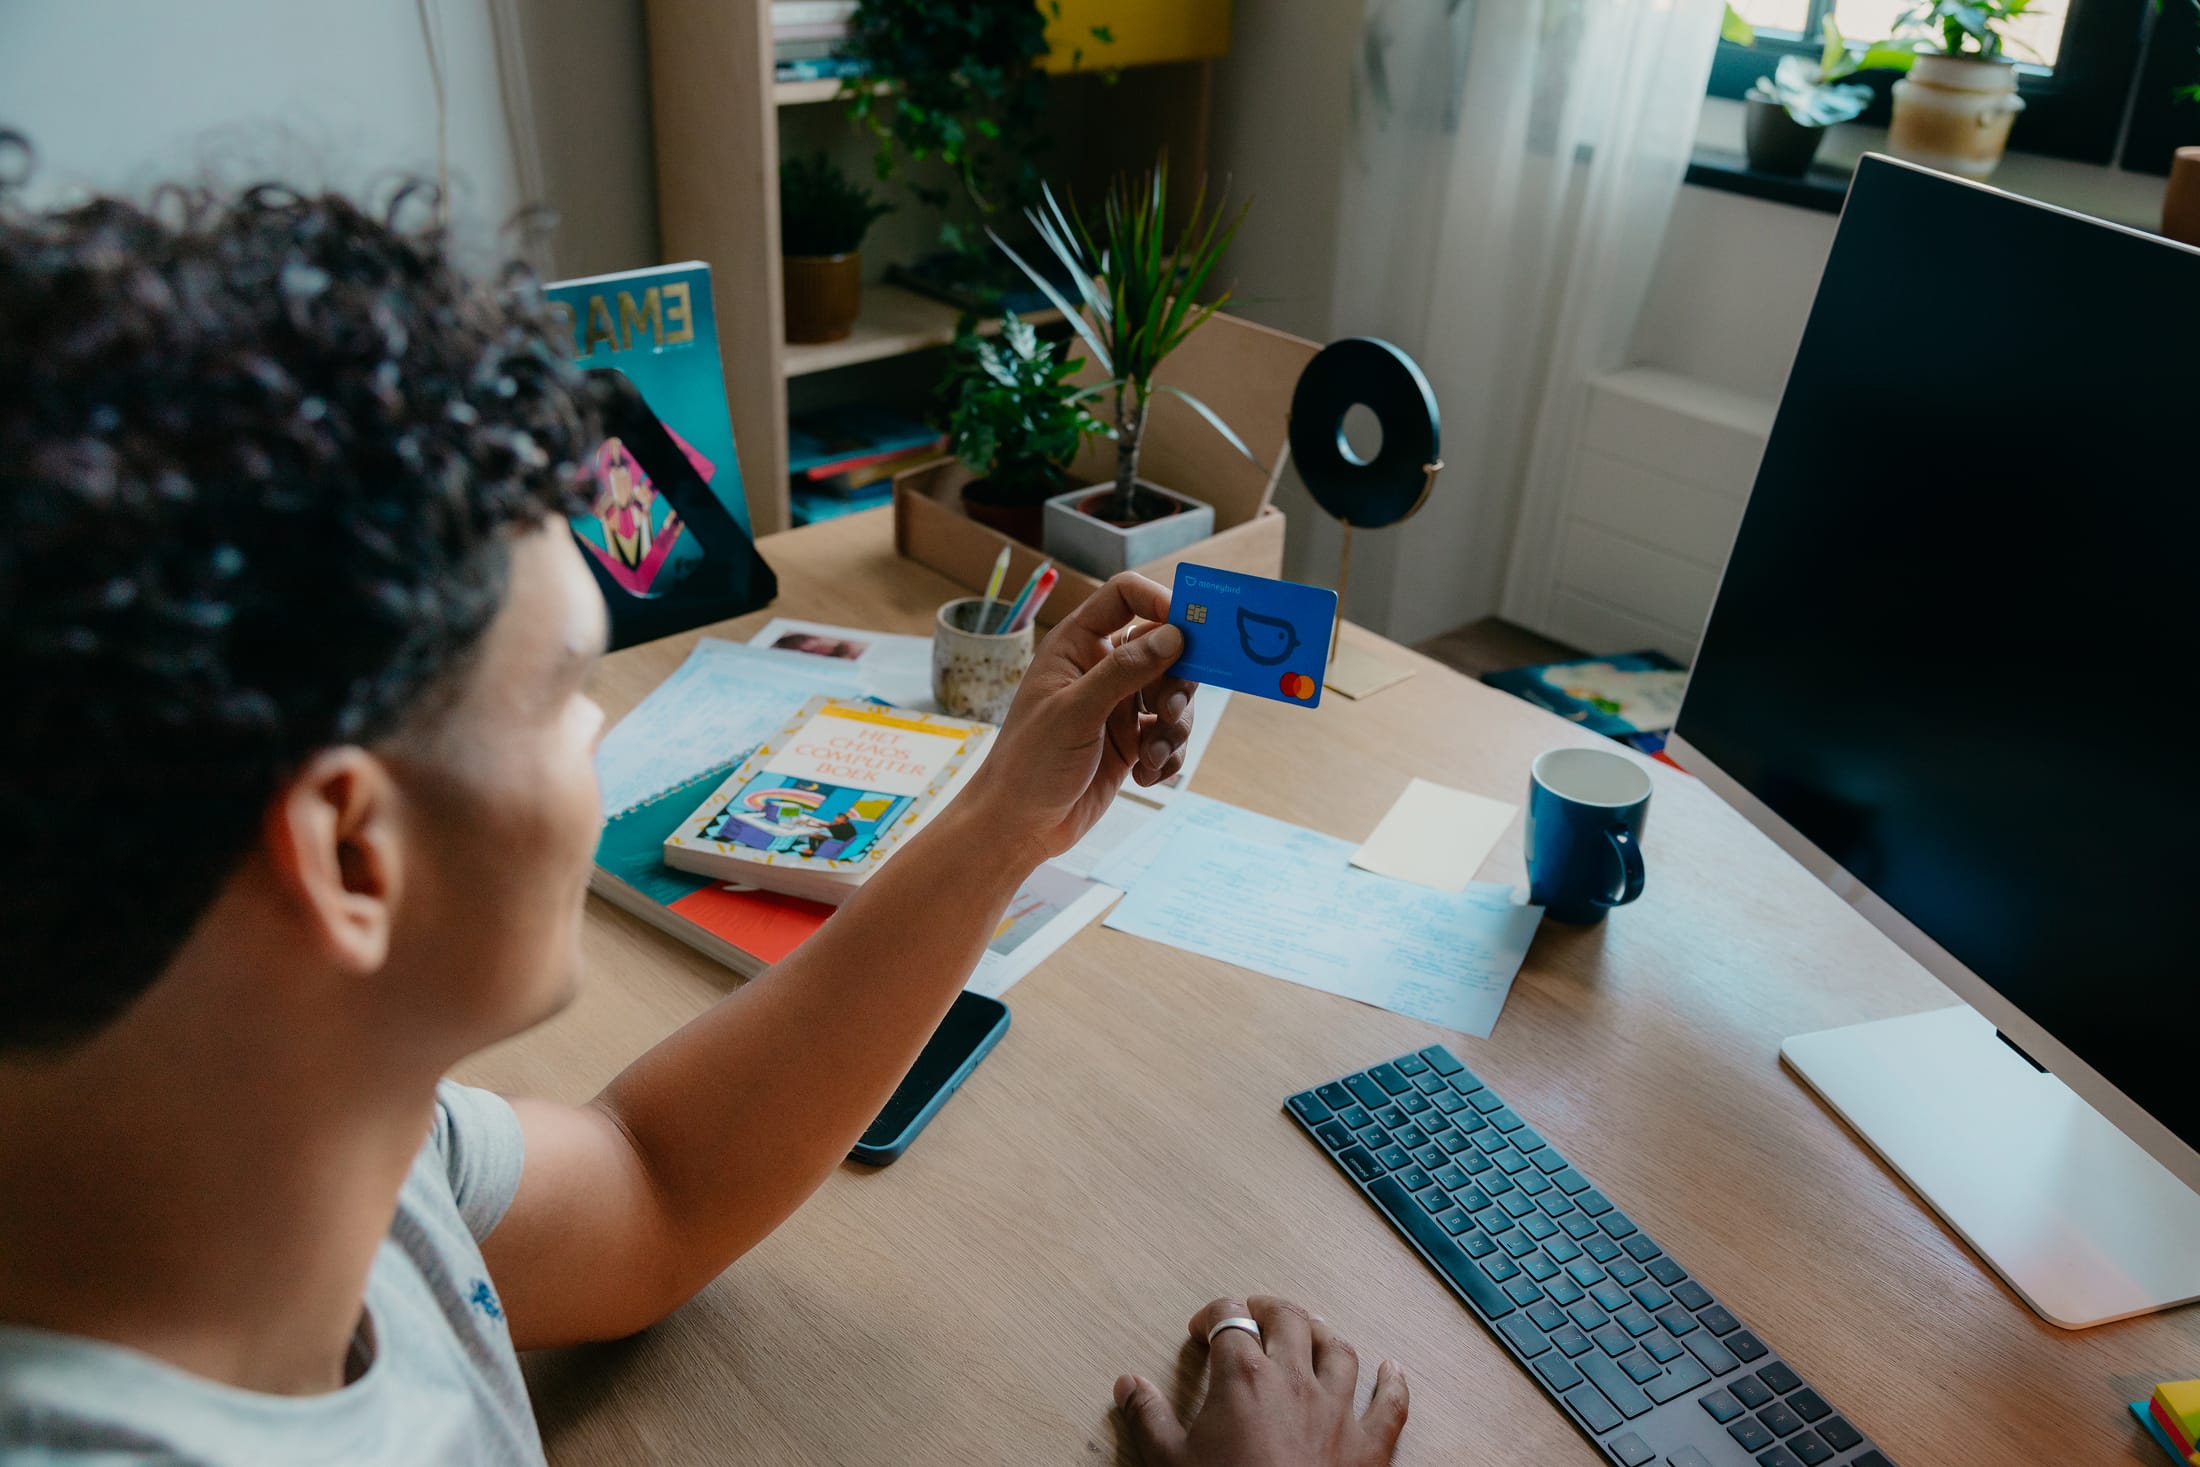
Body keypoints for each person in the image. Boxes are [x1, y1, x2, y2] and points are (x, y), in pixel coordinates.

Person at [0, 162, 1410, 1465]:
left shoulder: (287, 1128)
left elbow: (652, 1186)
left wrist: (1001, 821)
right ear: (352, 854)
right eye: (559, 689)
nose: (601, 727)